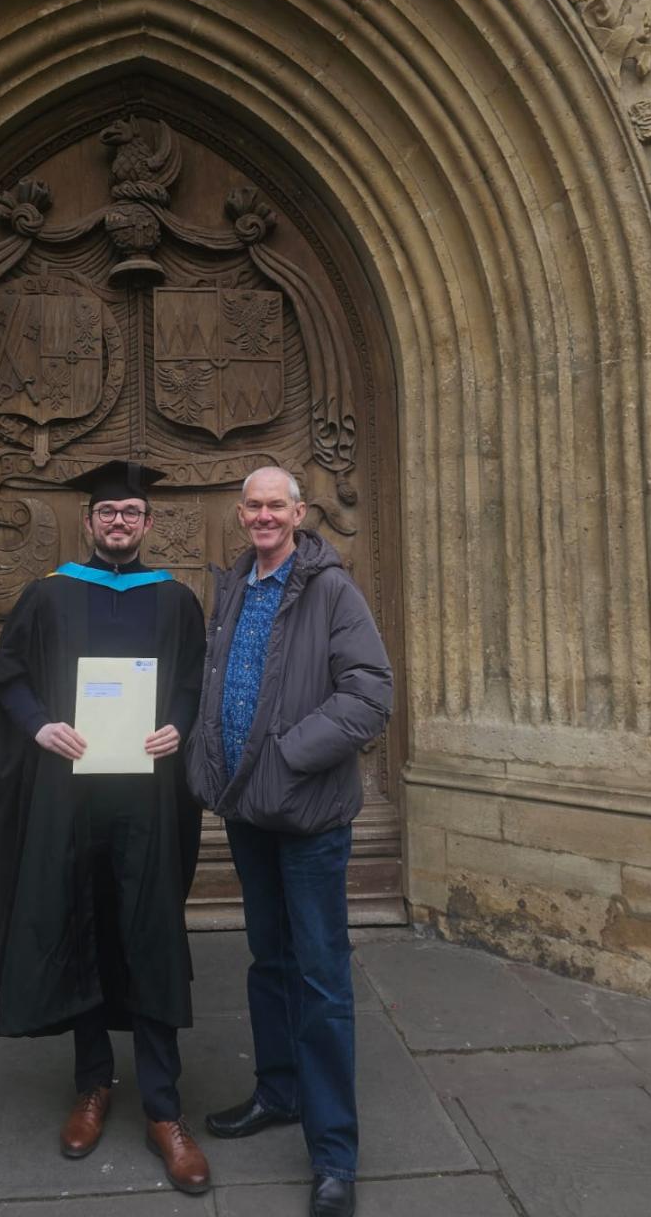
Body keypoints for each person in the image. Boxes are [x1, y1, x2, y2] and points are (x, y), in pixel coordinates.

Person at [0, 459, 212, 1196]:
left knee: (148, 932)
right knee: (78, 925)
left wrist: (178, 724)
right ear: (88, 522)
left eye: (131, 514)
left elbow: (193, 687)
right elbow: (8, 680)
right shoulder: (47, 597)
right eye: (107, 512)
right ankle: (92, 1084)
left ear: (148, 524)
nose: (119, 523)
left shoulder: (174, 601)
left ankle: (165, 1109)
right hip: (71, 798)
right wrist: (39, 727)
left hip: (148, 801)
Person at [185, 466, 393, 1217]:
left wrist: (286, 754)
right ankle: (278, 1091)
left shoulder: (331, 589)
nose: (265, 516)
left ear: (300, 513)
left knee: (321, 977)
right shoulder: (235, 586)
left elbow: (370, 695)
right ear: (240, 514)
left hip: (306, 817)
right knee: (267, 961)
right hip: (248, 811)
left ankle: (334, 1152)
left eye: (278, 505)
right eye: (254, 506)